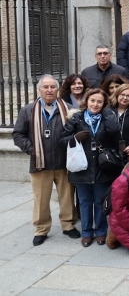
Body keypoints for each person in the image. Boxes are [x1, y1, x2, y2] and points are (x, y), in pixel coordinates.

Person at [12, 75, 80, 246]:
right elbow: (18, 134)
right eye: (46, 87)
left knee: (67, 197)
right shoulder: (27, 110)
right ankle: (42, 228)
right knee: (41, 198)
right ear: (39, 89)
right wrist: (31, 149)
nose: (49, 90)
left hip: (64, 162)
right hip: (40, 163)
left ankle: (68, 225)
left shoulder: (69, 109)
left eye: (52, 87)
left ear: (58, 90)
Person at [60, 88, 120, 247]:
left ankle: (101, 231)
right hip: (82, 167)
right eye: (92, 100)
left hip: (101, 167)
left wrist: (107, 113)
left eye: (99, 101)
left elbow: (115, 133)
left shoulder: (107, 117)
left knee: (100, 201)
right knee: (85, 201)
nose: (95, 104)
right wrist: (74, 138)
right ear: (86, 101)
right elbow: (61, 140)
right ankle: (86, 232)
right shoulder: (77, 118)